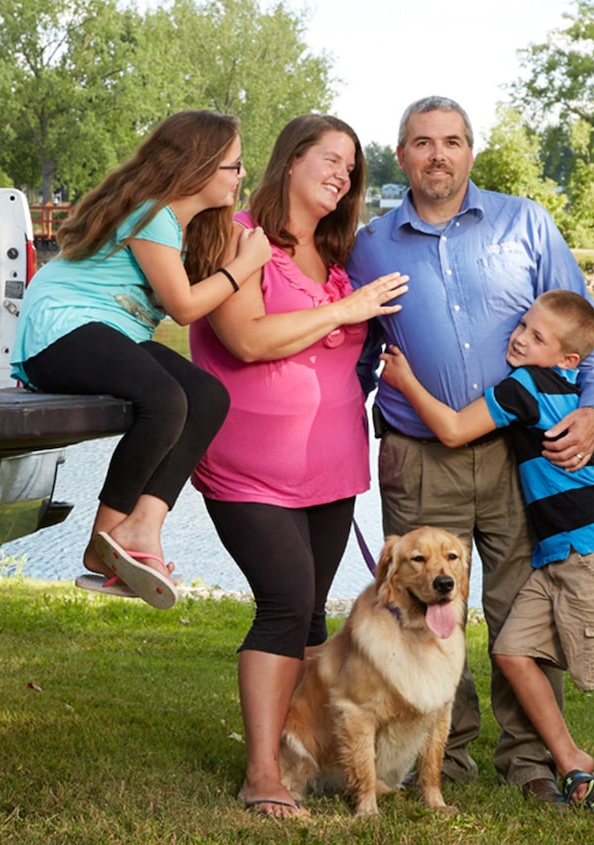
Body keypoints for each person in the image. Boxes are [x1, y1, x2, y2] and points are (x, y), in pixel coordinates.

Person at [347, 96, 594, 801]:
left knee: (524, 606)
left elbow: (585, 327)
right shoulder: (369, 243)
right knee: (425, 614)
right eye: (423, 142)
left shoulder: (525, 223)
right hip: (416, 453)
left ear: (471, 151)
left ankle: (531, 763)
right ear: (400, 154)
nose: (439, 153)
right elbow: (352, 347)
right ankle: (444, 755)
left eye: (453, 141)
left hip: (517, 455)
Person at [189, 114, 408, 819]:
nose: (344, 174)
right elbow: (247, 338)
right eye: (331, 158)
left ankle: (302, 758)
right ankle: (260, 773)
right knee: (284, 600)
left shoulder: (339, 258)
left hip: (333, 467)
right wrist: (348, 307)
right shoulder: (235, 237)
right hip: (247, 468)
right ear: (290, 161)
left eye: (353, 168)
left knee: (311, 611)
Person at [380, 290, 594, 812]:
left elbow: (453, 430)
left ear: (569, 360)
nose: (520, 338)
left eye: (537, 336)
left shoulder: (524, 387)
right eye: (522, 325)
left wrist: (405, 381)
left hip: (592, 551)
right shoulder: (564, 388)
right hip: (555, 552)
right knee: (512, 650)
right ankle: (569, 759)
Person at [11, 110, 272, 610]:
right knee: (164, 400)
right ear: (198, 168)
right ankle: (105, 539)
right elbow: (185, 308)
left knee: (207, 396)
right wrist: (244, 266)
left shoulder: (184, 226)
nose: (241, 177)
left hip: (114, 332)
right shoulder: (152, 215)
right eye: (233, 167)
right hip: (60, 327)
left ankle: (142, 526)